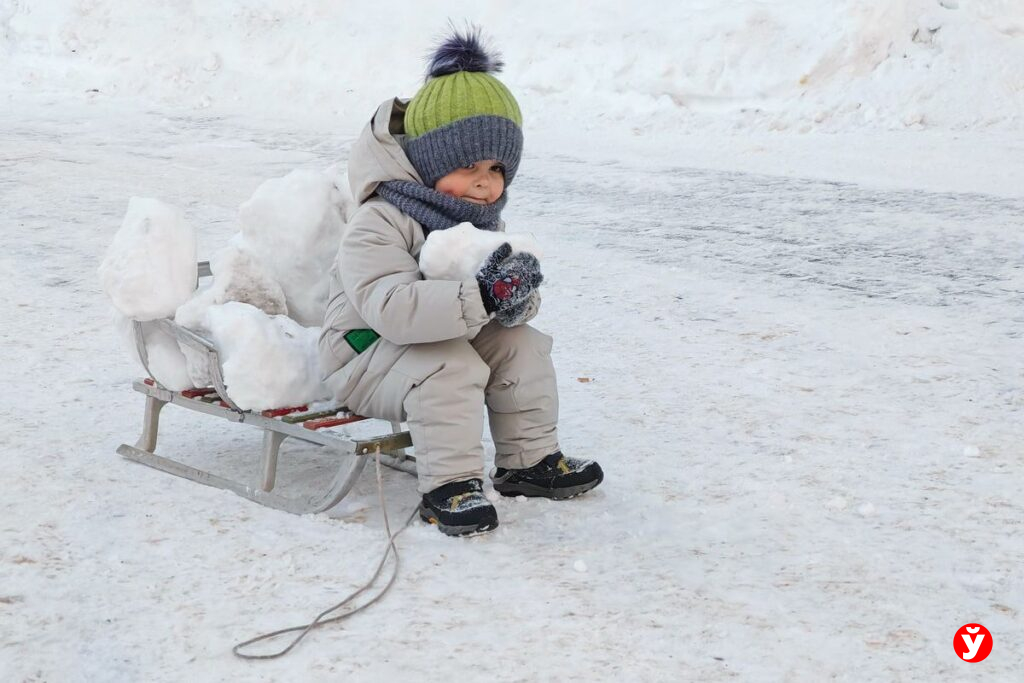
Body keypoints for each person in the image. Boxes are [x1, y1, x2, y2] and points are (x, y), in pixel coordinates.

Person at [319, 26, 603, 536]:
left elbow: (492, 303)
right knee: (450, 365)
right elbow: (393, 307)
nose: (484, 182)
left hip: (444, 337)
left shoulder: (476, 221)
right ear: (429, 158)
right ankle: (449, 485)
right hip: (364, 353)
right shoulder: (380, 219)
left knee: (521, 344)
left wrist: (514, 299)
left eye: (497, 168)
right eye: (467, 164)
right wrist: (482, 296)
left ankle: (528, 461)